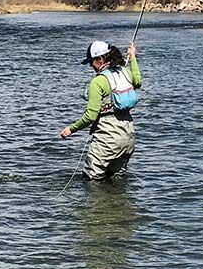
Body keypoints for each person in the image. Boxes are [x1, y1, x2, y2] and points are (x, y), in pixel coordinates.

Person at [60, 40, 142, 181]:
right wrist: (133, 57)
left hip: (107, 139)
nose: (91, 65)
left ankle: (96, 204)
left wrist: (71, 129)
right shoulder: (125, 72)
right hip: (128, 138)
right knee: (116, 180)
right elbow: (138, 81)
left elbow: (91, 116)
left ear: (100, 59)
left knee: (91, 180)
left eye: (92, 61)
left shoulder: (98, 81)